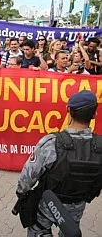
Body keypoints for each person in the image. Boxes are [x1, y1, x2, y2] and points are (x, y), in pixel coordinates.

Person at [15, 90, 102, 237]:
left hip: (48, 205)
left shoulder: (51, 143)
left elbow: (28, 176)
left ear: (68, 111)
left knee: (38, 231)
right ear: (94, 115)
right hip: (77, 207)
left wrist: (22, 193)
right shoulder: (99, 146)